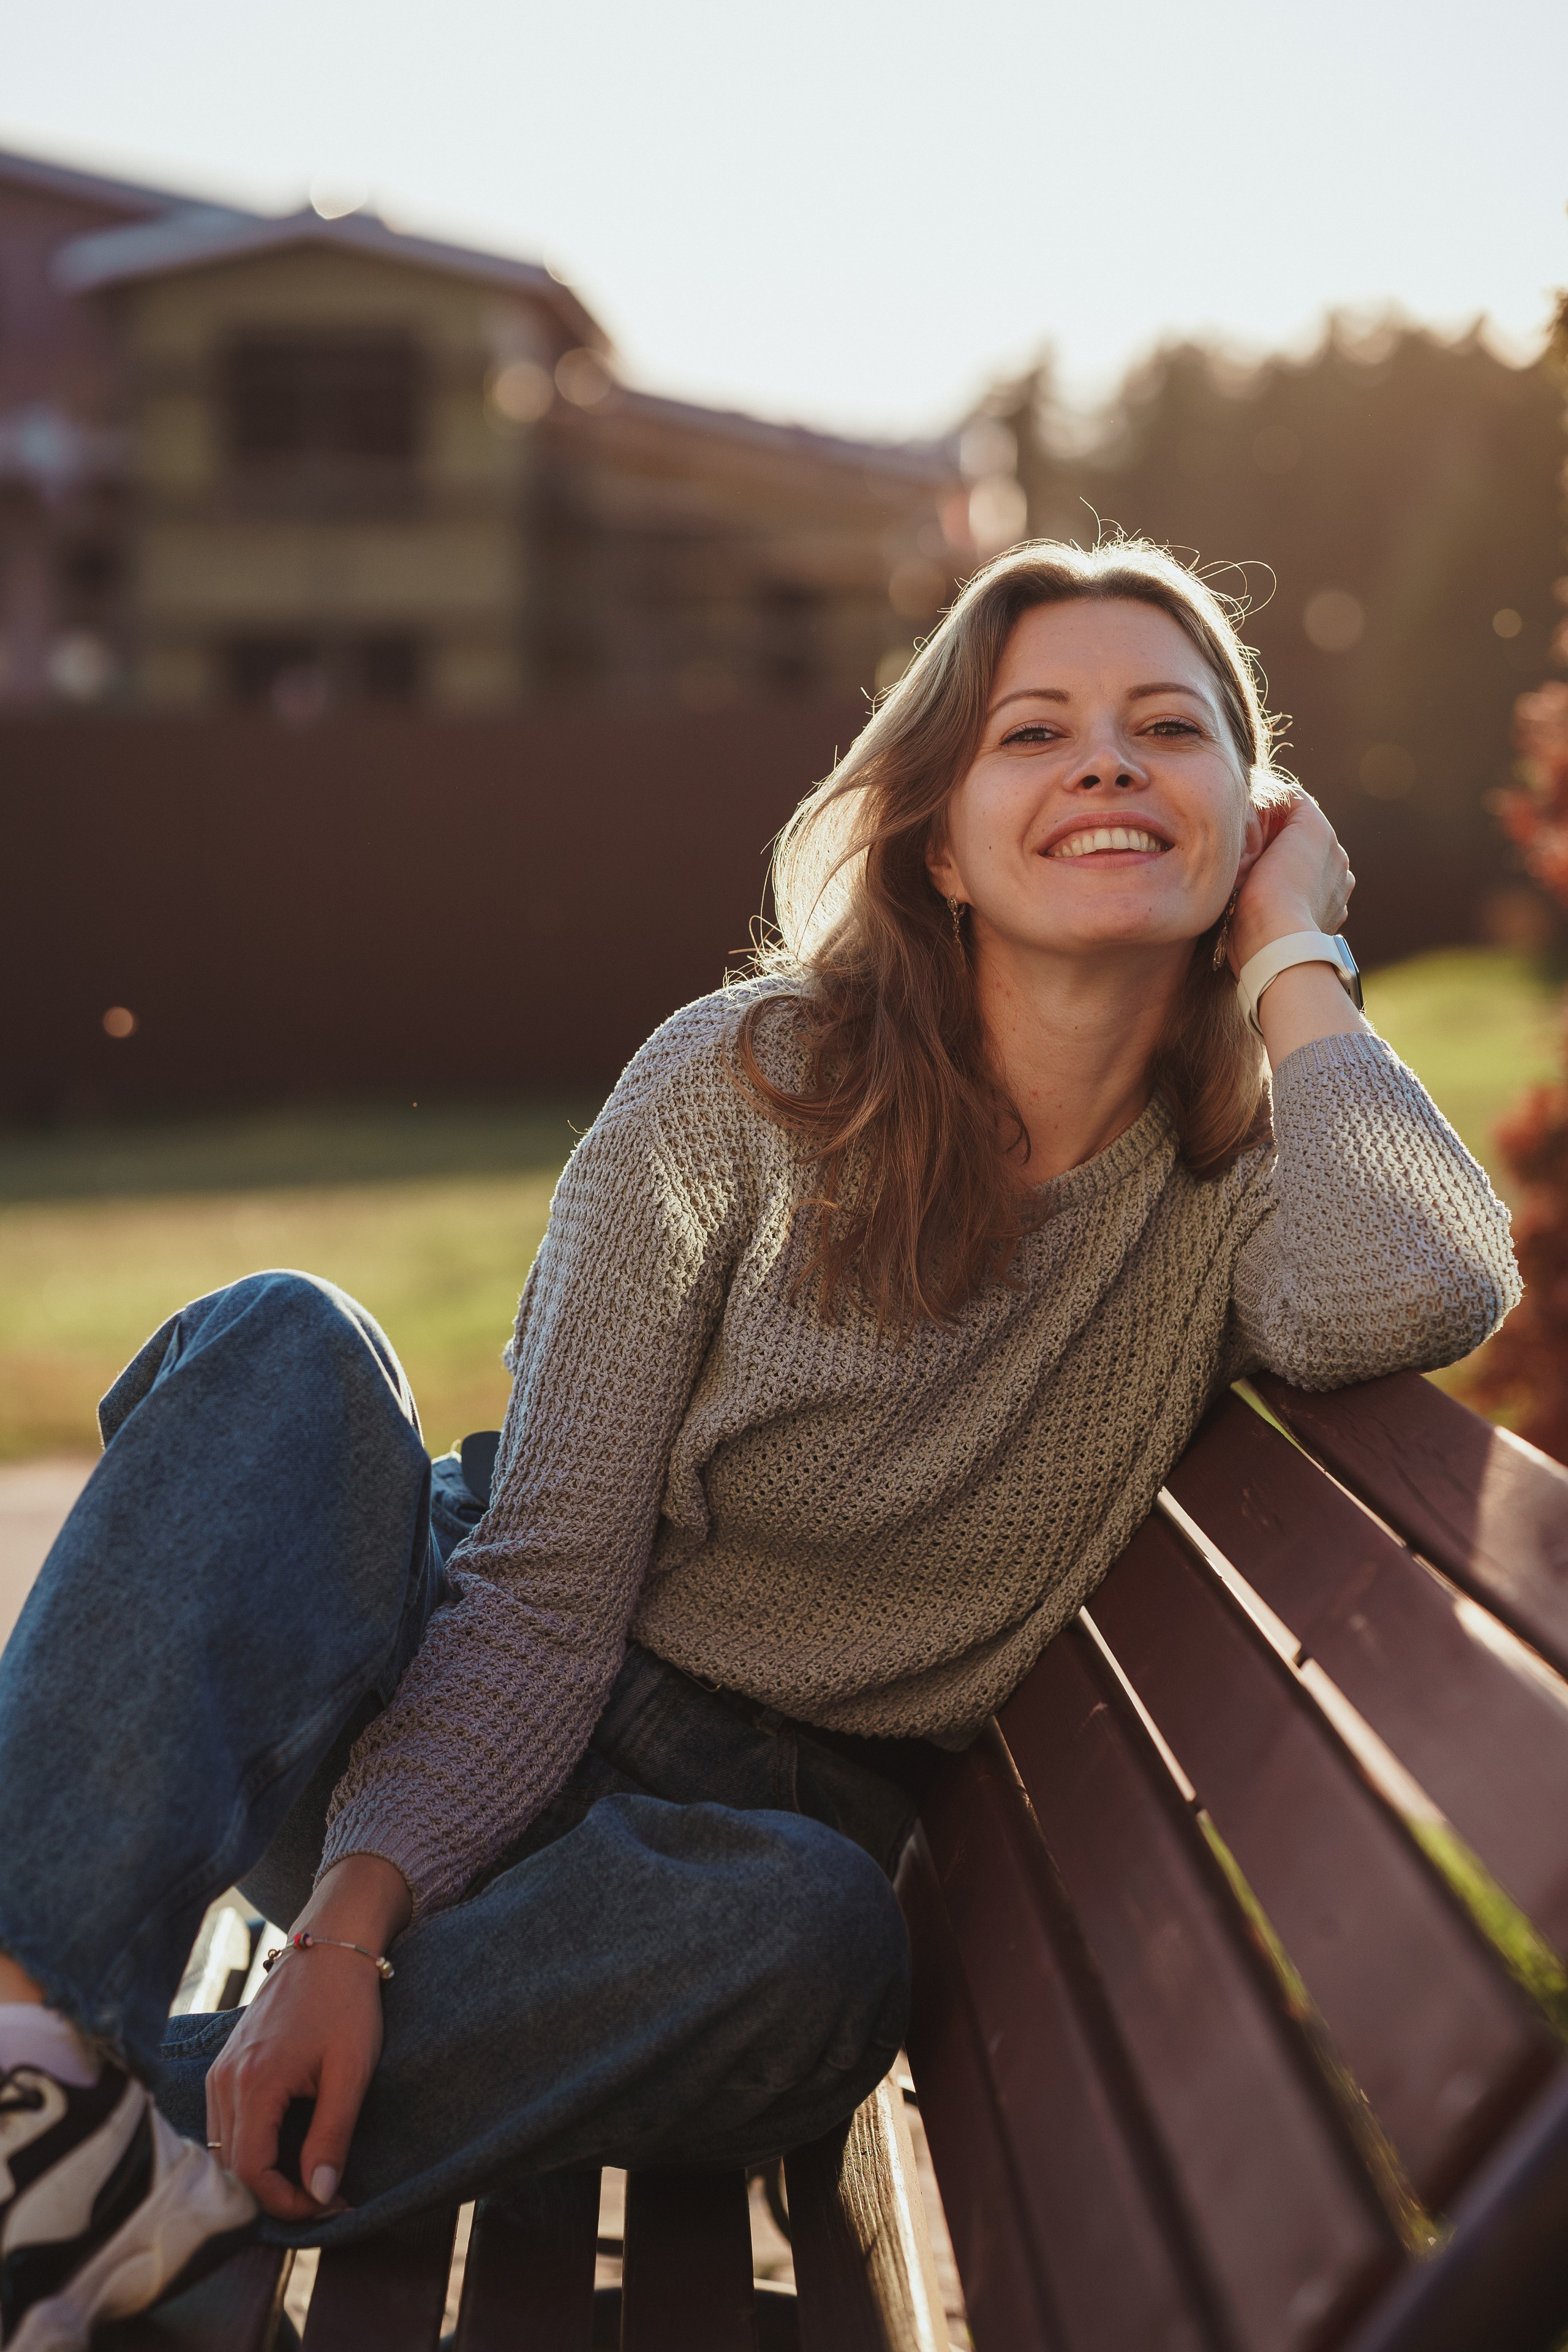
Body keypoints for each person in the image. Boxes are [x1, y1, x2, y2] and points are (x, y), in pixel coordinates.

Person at [0, 541, 1518, 2349]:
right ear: (940, 845)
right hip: (453, 1717)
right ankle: (23, 2059)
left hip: (705, 1897)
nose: (1108, 762)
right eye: (1036, 729)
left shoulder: (1241, 1188)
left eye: (1169, 729)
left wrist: (1301, 958)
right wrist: (344, 1926)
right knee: (285, 1344)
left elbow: (1428, 1284)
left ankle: (151, 2153)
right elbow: (545, 1599)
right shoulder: (741, 1092)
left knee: (817, 1947)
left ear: (1251, 828)